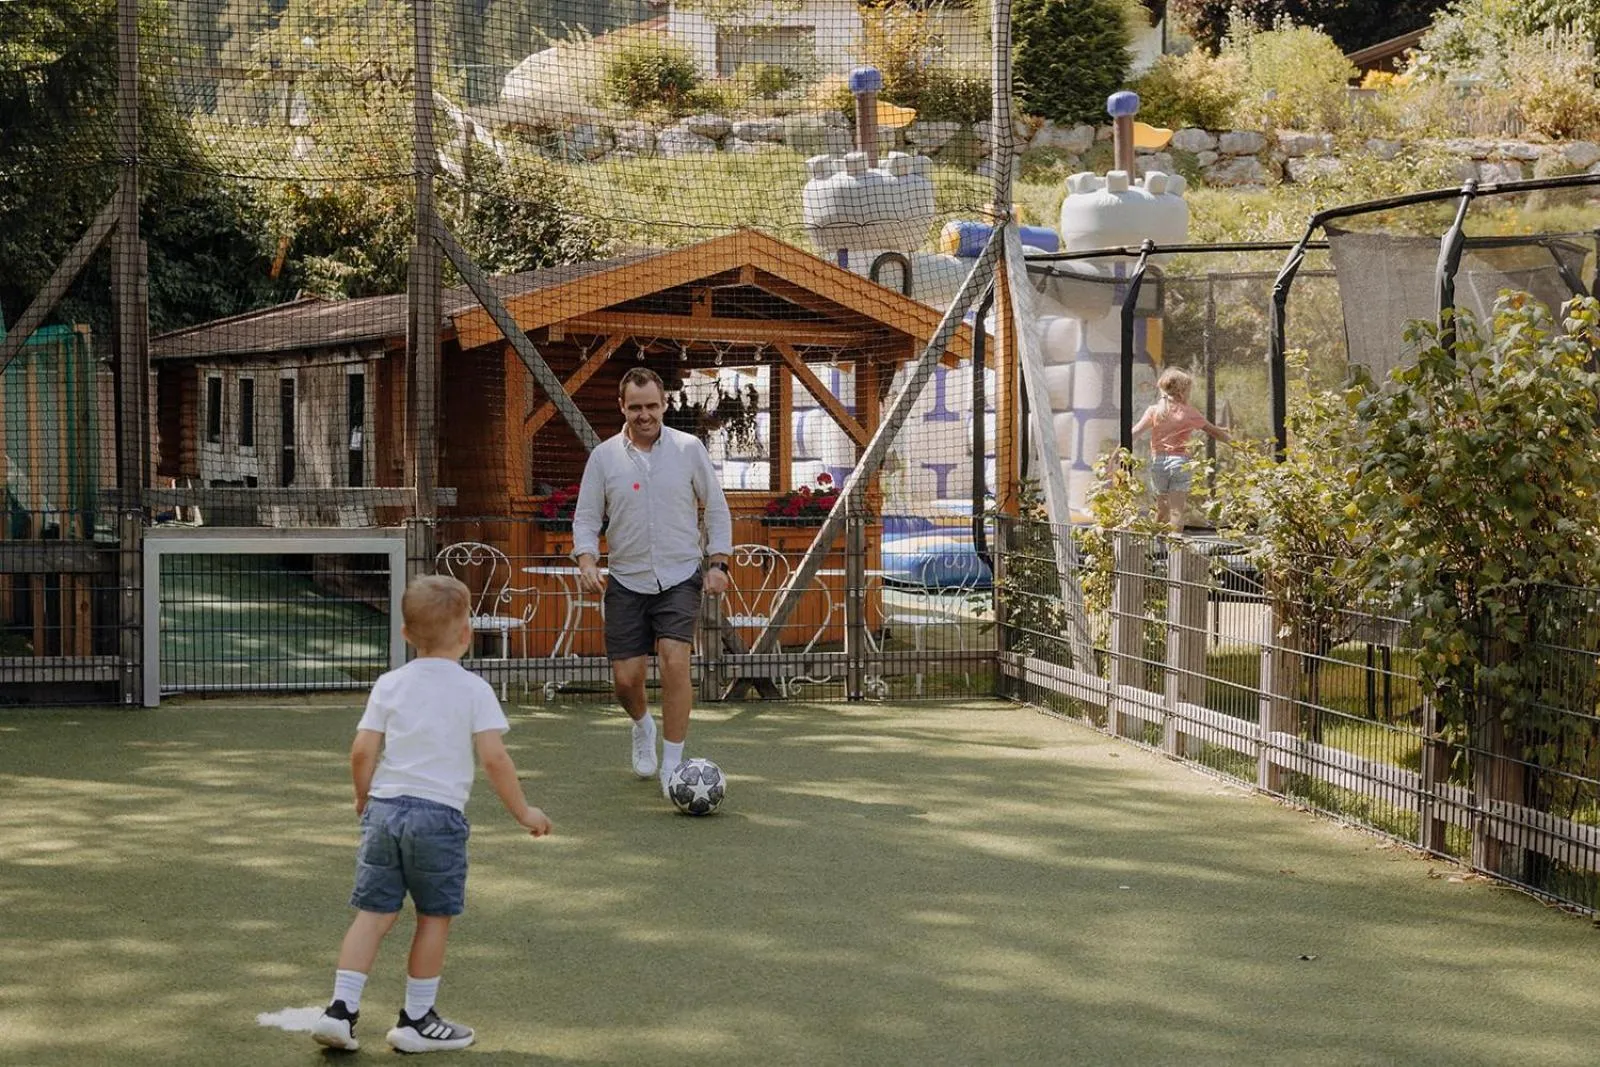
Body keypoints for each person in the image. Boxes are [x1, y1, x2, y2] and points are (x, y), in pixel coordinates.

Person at [312, 574, 552, 1054]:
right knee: (433, 917)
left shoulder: (389, 684)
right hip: (437, 819)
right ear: (467, 635)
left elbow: (362, 751)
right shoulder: (473, 690)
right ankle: (415, 1020)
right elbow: (494, 759)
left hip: (385, 811)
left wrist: (364, 797)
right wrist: (523, 811)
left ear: (405, 634)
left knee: (373, 914)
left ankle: (340, 1010)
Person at [572, 367, 733, 797]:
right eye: (636, 407)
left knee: (676, 661)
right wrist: (587, 560)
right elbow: (587, 518)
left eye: (652, 406)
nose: (645, 415)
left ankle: (674, 767)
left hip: (681, 575)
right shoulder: (604, 457)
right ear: (622, 406)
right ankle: (642, 725)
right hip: (625, 579)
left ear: (664, 405)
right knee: (626, 680)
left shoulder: (688, 448)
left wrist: (719, 564)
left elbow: (716, 508)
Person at [1130, 367, 1231, 531]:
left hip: (1159, 463)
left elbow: (1133, 433)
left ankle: (1152, 545)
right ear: (1183, 391)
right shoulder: (1189, 412)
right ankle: (1175, 552)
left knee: (1161, 509)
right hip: (1180, 463)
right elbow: (1214, 432)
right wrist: (1238, 446)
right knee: (1176, 512)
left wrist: (1116, 452)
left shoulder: (1154, 411)